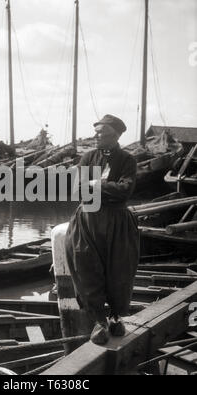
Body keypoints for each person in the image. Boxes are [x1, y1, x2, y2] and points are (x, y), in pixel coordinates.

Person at [65, 114, 140, 345]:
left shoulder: (128, 160)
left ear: (115, 135)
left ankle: (116, 317)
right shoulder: (88, 157)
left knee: (119, 271)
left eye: (101, 132)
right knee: (85, 266)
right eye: (95, 131)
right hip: (88, 221)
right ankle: (99, 320)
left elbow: (125, 190)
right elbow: (79, 189)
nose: (95, 135)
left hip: (117, 224)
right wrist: (106, 188)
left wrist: (96, 185)